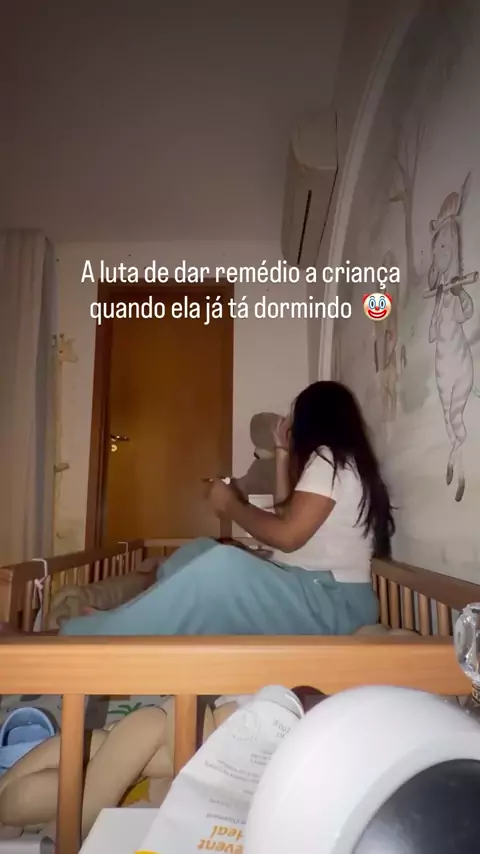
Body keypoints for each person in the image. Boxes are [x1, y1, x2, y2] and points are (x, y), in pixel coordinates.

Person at [54, 381, 394, 637]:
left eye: (296, 416)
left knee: (222, 566)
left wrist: (231, 505)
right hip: (316, 592)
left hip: (332, 604)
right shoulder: (334, 463)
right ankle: (131, 614)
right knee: (202, 549)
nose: (291, 424)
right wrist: (281, 453)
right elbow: (286, 515)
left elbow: (287, 537)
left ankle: (96, 634)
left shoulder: (329, 459)